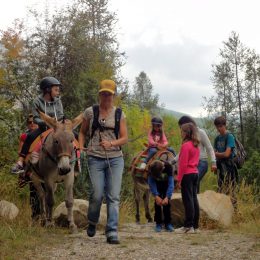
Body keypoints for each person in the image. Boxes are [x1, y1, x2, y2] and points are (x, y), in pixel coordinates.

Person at [79, 79, 128, 244]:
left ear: (113, 96)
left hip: (115, 159)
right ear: (99, 94)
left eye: (109, 94)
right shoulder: (90, 112)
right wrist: (80, 148)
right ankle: (92, 221)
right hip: (94, 158)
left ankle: (112, 231)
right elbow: (82, 133)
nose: (106, 97)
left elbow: (124, 138)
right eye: (103, 93)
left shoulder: (119, 114)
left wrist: (111, 143)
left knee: (113, 196)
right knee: (97, 194)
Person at [11, 76, 64, 174]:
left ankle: (77, 161)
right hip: (43, 128)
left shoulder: (58, 101)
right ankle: (20, 162)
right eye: (56, 90)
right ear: (47, 89)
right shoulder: (37, 101)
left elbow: (61, 115)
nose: (58, 92)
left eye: (58, 90)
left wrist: (56, 122)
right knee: (29, 136)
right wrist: (44, 122)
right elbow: (35, 118)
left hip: (57, 127)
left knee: (73, 135)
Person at [176, 116, 217, 193]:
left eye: (181, 127)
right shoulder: (188, 136)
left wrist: (213, 162)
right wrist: (173, 161)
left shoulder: (200, 132)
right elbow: (183, 152)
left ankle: (193, 202)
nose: (181, 130)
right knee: (194, 185)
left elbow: (209, 148)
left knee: (192, 183)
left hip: (202, 163)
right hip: (191, 164)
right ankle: (195, 202)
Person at [175, 123, 200, 234]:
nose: (180, 133)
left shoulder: (185, 146)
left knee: (188, 200)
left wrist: (179, 179)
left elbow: (183, 164)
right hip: (195, 173)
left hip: (187, 175)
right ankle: (195, 225)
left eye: (181, 131)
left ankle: (188, 226)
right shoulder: (195, 145)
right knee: (194, 199)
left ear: (186, 133)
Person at [213, 116, 238, 208]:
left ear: (225, 125)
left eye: (220, 126)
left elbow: (227, 154)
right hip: (220, 165)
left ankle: (234, 210)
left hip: (229, 165)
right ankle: (223, 209)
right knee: (220, 186)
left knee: (231, 187)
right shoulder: (217, 138)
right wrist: (216, 158)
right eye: (217, 127)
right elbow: (214, 153)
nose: (219, 129)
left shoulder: (229, 136)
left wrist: (217, 154)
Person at [148, 160, 174, 232]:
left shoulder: (168, 167)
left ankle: (168, 223)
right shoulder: (151, 168)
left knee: (167, 204)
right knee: (157, 204)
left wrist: (167, 197)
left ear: (163, 169)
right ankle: (158, 223)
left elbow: (171, 184)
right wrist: (156, 195)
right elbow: (151, 182)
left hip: (166, 184)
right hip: (157, 185)